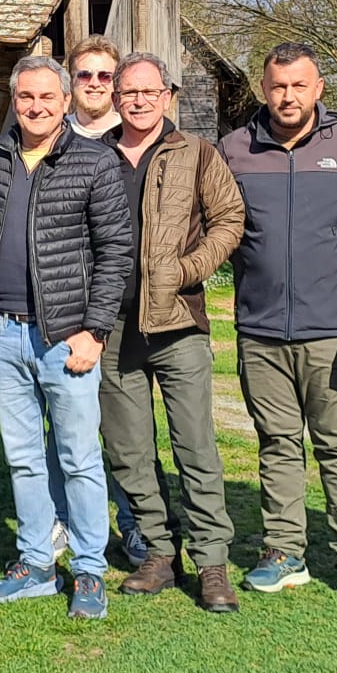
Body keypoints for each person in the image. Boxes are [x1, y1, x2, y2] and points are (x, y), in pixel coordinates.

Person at [0, 54, 132, 620]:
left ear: (65, 102)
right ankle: (36, 563)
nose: (35, 108)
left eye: (46, 98)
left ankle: (89, 570)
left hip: (66, 337)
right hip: (5, 333)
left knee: (80, 458)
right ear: (13, 101)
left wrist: (96, 331)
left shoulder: (93, 161)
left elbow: (116, 252)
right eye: (25, 98)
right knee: (22, 458)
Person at [218, 44, 337, 605]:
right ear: (265, 88)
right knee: (277, 443)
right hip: (259, 328)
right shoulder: (234, 149)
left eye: (299, 86)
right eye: (278, 86)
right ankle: (284, 551)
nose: (288, 97)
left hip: (331, 329)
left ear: (319, 89)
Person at [100, 52, 245, 613]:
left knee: (195, 447)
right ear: (116, 98)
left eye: (148, 92)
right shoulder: (96, 155)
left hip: (177, 320)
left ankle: (212, 563)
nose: (137, 100)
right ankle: (159, 552)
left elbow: (229, 218)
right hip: (112, 324)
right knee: (129, 449)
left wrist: (188, 269)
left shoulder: (197, 153)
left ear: (167, 97)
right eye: (127, 92)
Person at [62, 33, 150, 565]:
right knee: (66, 430)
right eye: (84, 75)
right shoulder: (48, 137)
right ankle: (63, 523)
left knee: (126, 429)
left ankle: (137, 522)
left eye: (104, 76)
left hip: (123, 305)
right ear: (70, 83)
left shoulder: (135, 142)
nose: (95, 84)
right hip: (64, 304)